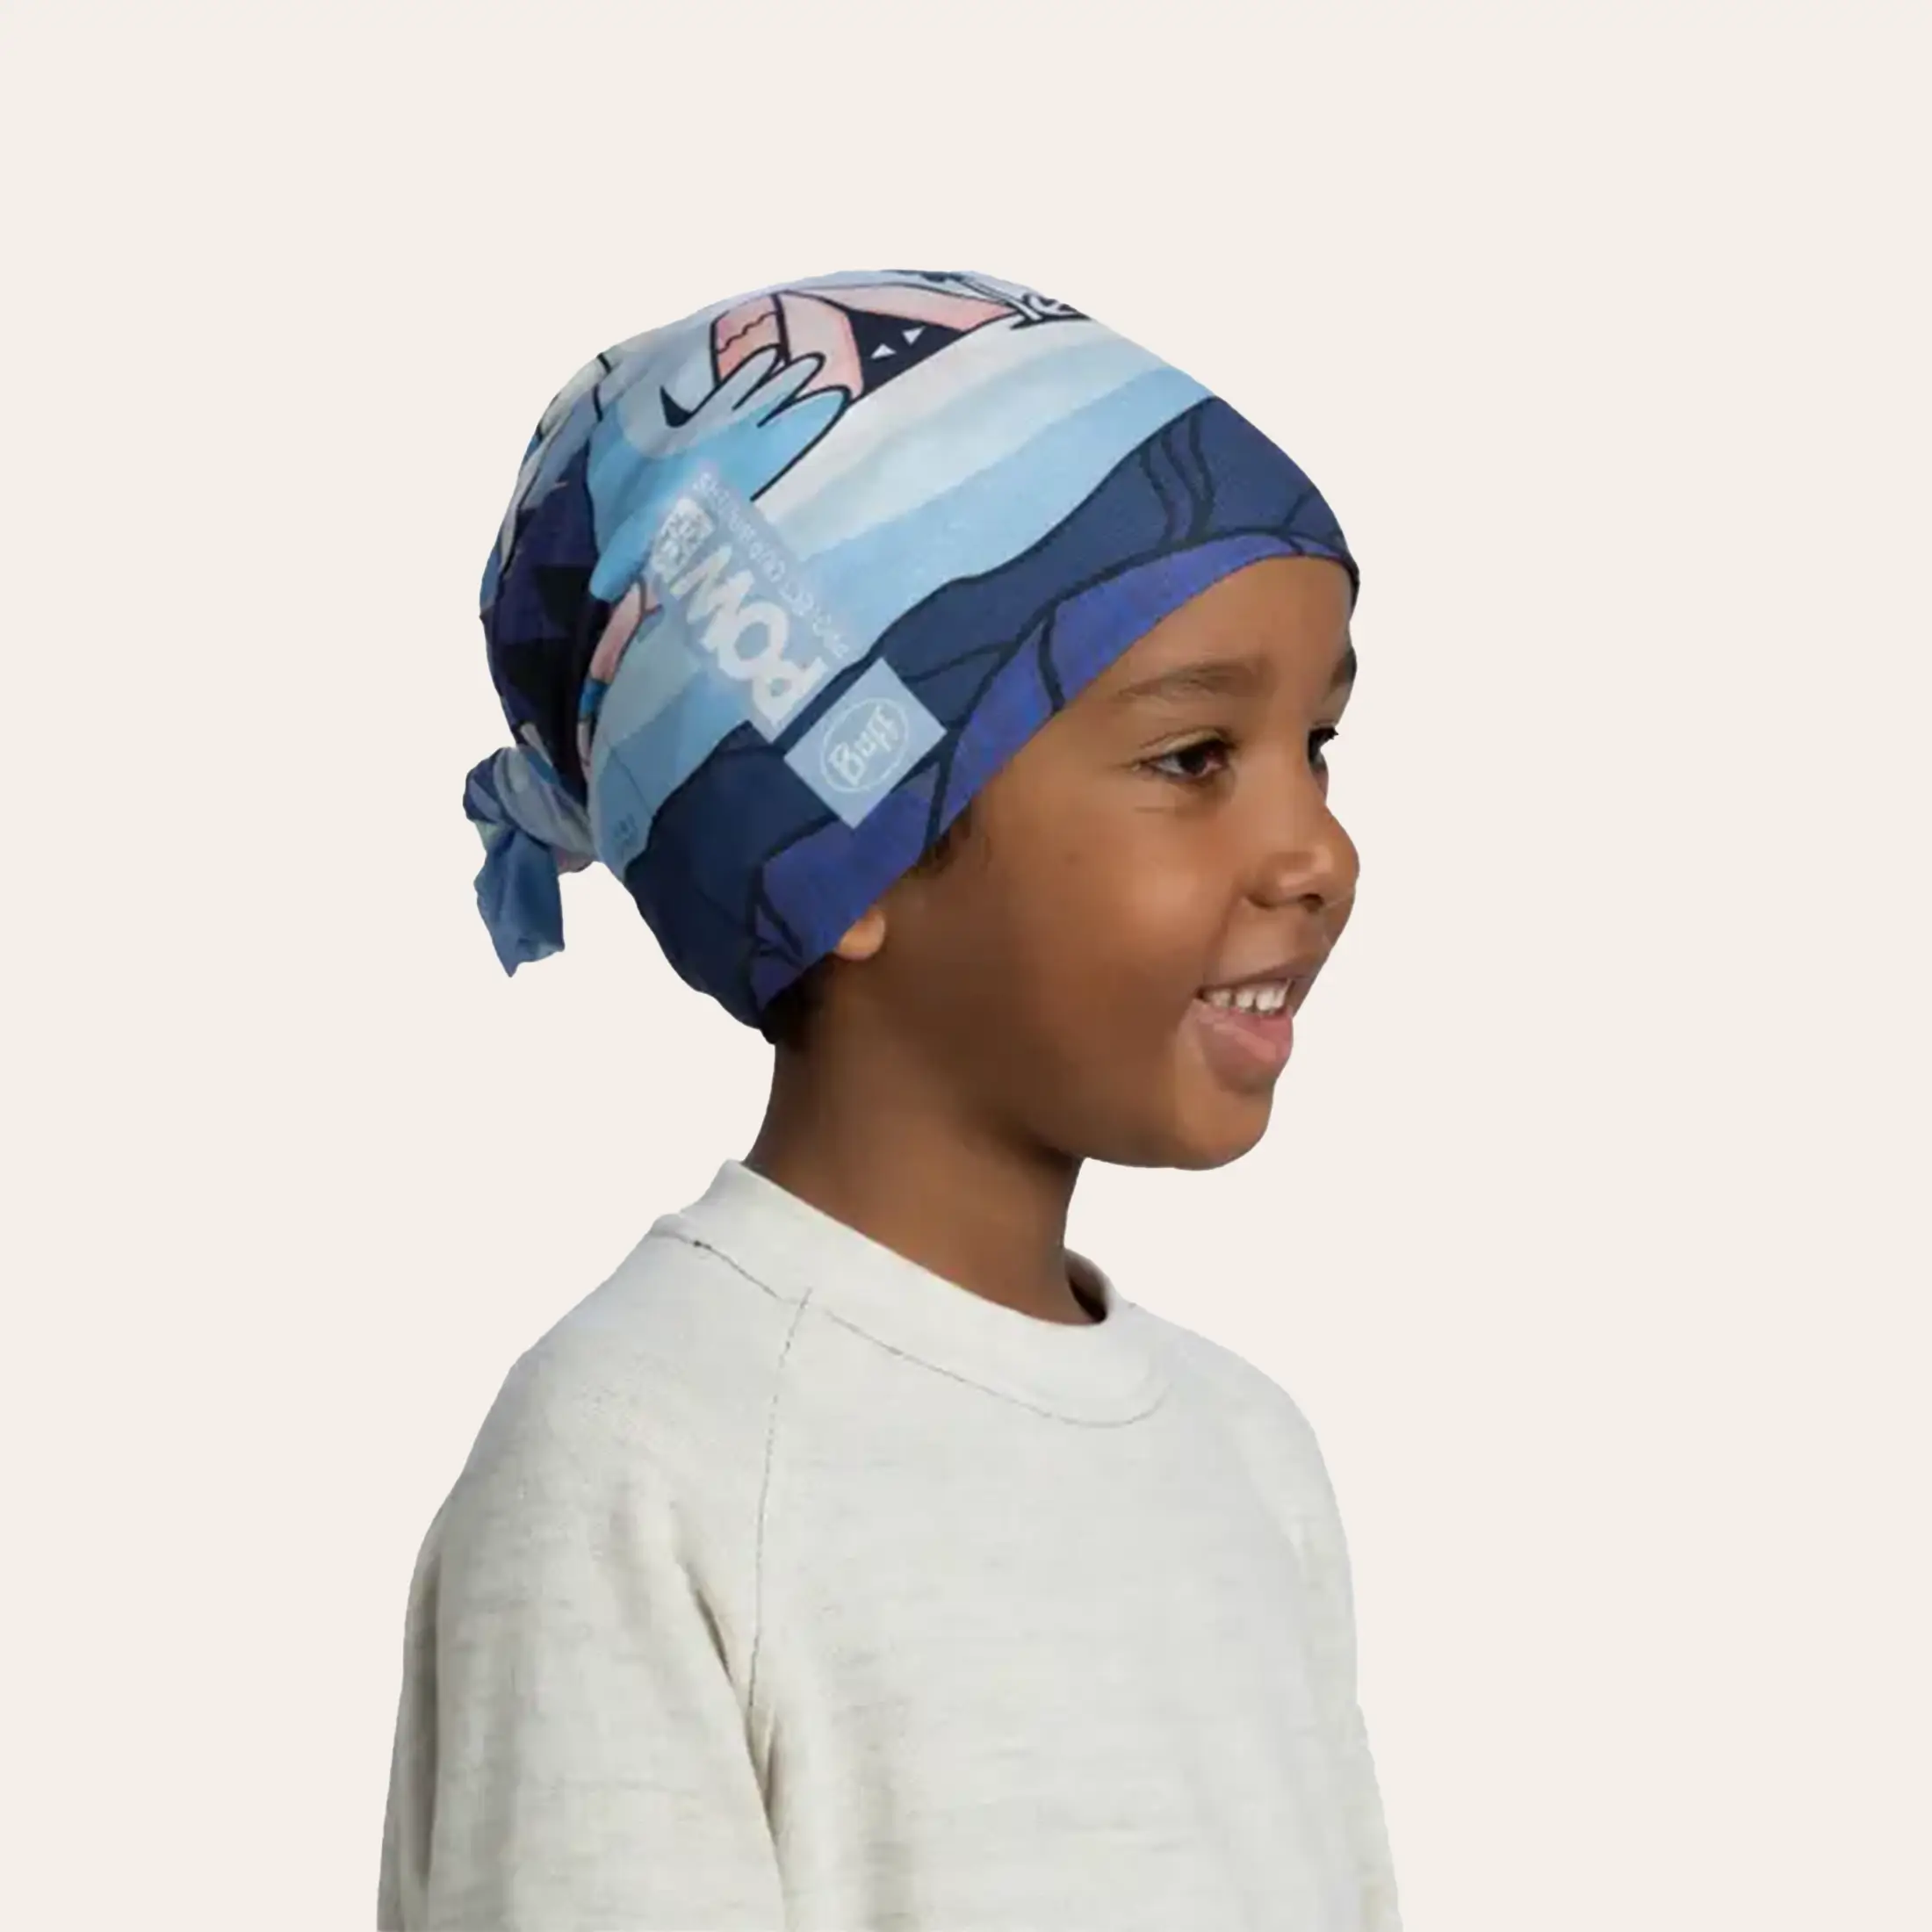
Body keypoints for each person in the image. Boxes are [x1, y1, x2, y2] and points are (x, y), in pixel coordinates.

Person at [377, 269, 1401, 1929]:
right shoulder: (642, 1461)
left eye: (1321, 746)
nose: (1320, 853)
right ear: (842, 849)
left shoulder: (1250, 1457)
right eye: (1196, 757)